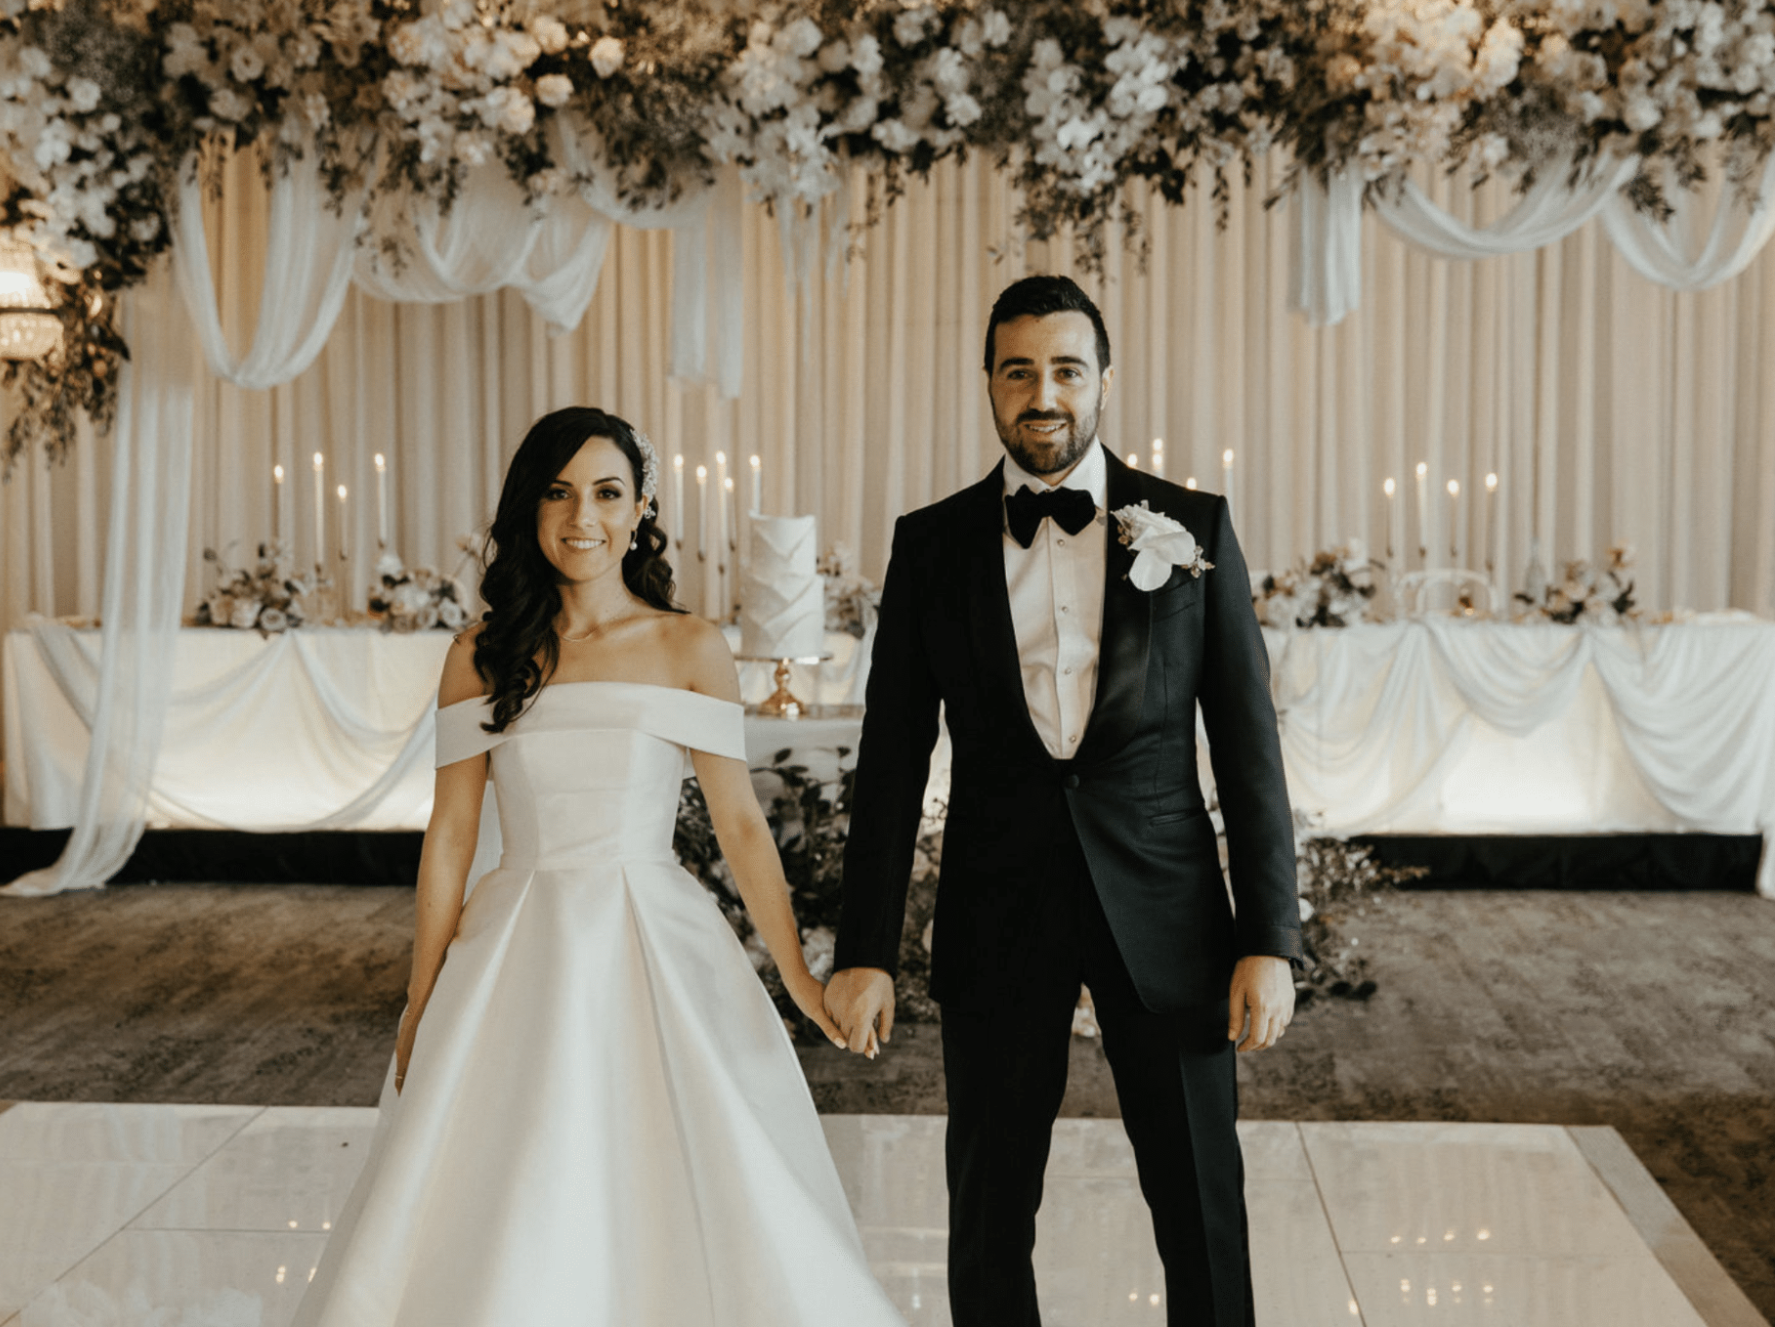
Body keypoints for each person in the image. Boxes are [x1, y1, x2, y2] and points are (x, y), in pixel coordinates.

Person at [288, 406, 906, 1327]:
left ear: (641, 507)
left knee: (676, 1163)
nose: (585, 514)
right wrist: (423, 995)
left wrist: (798, 979)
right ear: (531, 510)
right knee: (510, 1175)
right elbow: (452, 831)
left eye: (608, 492)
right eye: (560, 491)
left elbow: (739, 825)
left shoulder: (688, 646)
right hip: (514, 945)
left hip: (653, 932)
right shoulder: (482, 654)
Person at [823, 275, 1304, 1327]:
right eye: (1017, 370)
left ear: (1102, 381)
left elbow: (1249, 749)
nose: (1042, 393)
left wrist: (1269, 935)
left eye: (1065, 369)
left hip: (1170, 916)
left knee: (1199, 1208)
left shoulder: (1190, 527)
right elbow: (892, 759)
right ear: (988, 384)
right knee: (989, 1213)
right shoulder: (929, 544)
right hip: (997, 911)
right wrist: (862, 948)